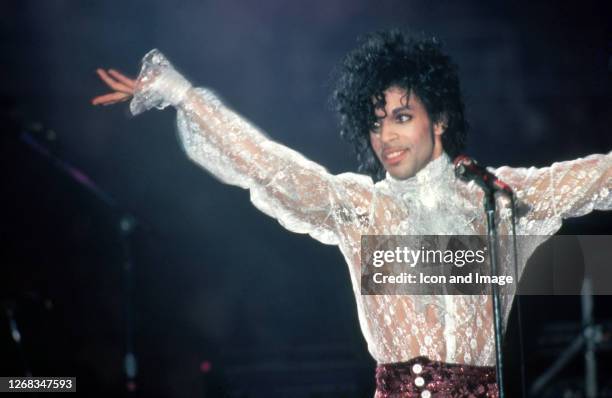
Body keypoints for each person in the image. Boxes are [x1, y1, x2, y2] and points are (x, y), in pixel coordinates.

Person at [92, 30, 611, 397]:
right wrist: (183, 96)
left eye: (402, 117)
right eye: (376, 122)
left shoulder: (496, 198)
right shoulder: (363, 208)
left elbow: (597, 177)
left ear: (441, 119)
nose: (386, 136)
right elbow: (268, 167)